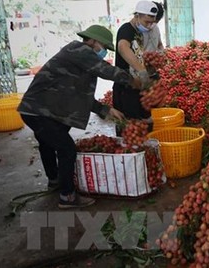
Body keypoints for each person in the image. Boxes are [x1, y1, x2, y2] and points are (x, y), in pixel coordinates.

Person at [18, 25, 141, 209]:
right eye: (103, 47)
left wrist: (105, 110)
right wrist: (133, 80)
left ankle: (55, 181)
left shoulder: (79, 60)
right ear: (92, 40)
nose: (104, 52)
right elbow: (106, 70)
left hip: (42, 109)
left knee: (48, 142)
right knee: (67, 148)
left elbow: (78, 95)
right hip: (39, 110)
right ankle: (67, 196)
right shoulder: (79, 49)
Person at [112, 0, 158, 131]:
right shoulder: (126, 29)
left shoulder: (141, 33)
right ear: (137, 16)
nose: (149, 25)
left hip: (138, 85)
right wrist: (142, 70)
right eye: (147, 22)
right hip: (125, 87)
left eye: (152, 22)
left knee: (144, 124)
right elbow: (123, 47)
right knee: (128, 129)